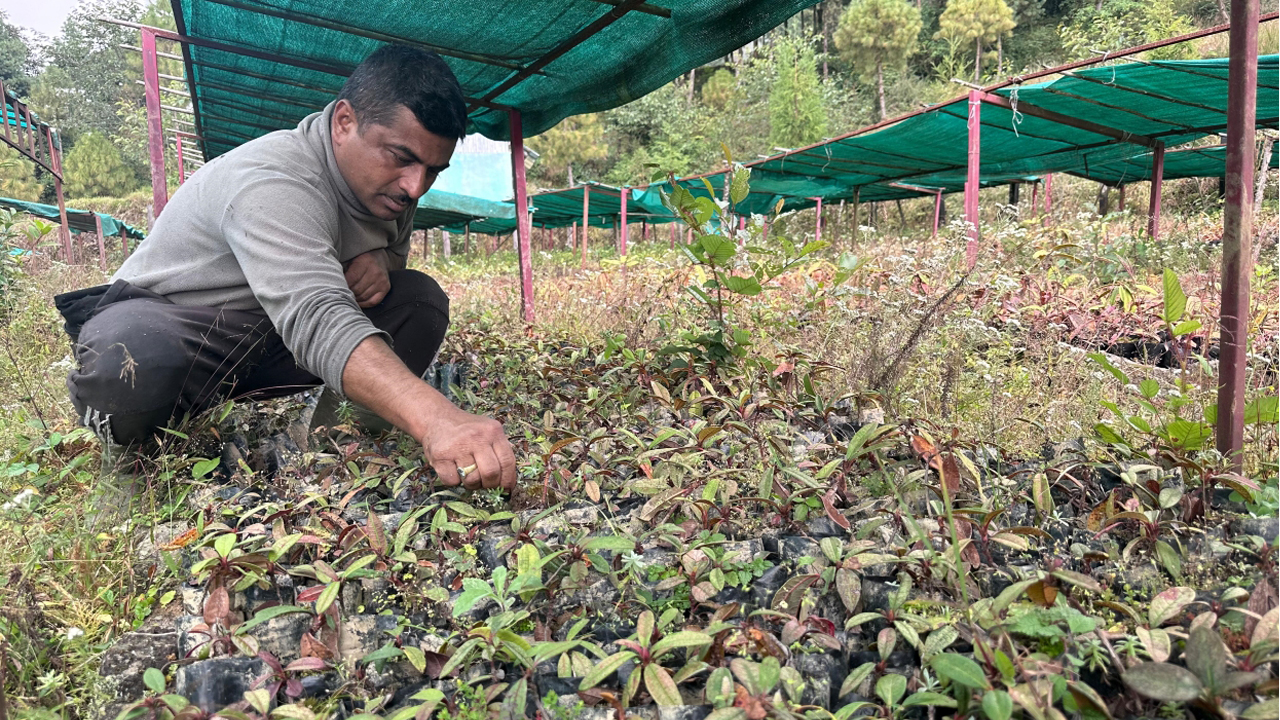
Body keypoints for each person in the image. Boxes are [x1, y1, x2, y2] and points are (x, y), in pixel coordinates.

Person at [55, 45, 517, 511]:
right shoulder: (274, 180)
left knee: (419, 300)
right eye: (400, 157)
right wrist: (436, 418)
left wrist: (382, 262)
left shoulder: (392, 190)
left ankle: (340, 443)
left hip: (269, 337)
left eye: (432, 170)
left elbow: (387, 264)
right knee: (133, 355)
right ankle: (128, 464)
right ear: (344, 122)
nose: (415, 186)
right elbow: (315, 315)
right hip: (185, 332)